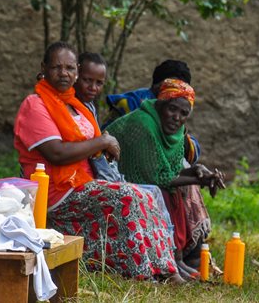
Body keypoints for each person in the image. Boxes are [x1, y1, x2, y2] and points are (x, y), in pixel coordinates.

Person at [13, 41, 183, 282]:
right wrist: (102, 142)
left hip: (83, 184)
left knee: (144, 194)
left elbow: (91, 147)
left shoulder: (75, 105)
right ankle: (144, 272)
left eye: (70, 68)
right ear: (44, 68)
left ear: (77, 71)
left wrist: (102, 146)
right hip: (56, 193)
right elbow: (56, 153)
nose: (64, 73)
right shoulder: (35, 105)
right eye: (57, 67)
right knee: (127, 197)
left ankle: (167, 268)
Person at [105, 78, 225, 275]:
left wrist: (199, 171)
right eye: (172, 109)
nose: (176, 117)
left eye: (183, 113)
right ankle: (170, 259)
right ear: (160, 104)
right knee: (163, 192)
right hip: (113, 177)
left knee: (178, 188)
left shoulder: (176, 132)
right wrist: (197, 179)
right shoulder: (143, 124)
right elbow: (155, 178)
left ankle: (179, 257)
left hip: (147, 178)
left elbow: (170, 170)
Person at [73, 52, 107, 123]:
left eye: (99, 83)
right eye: (87, 80)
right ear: (75, 76)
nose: (93, 88)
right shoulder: (63, 106)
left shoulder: (89, 106)